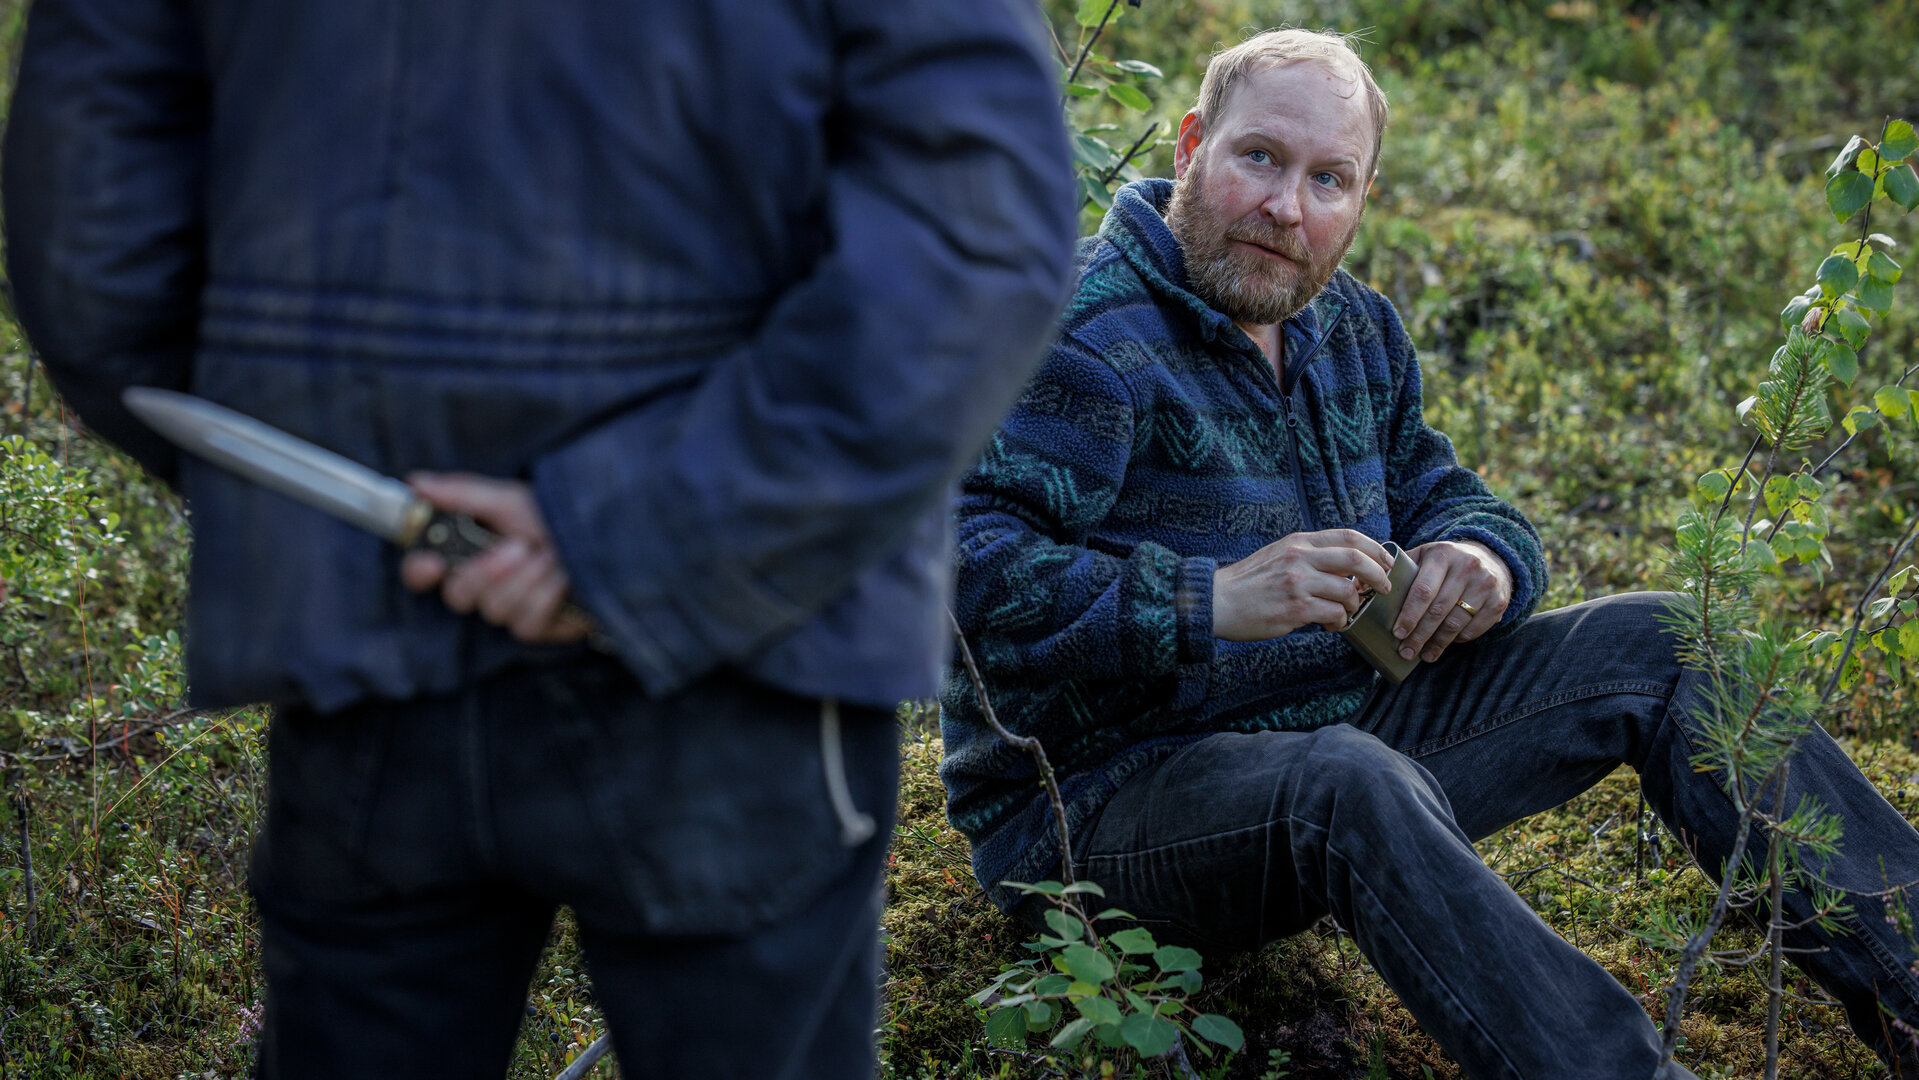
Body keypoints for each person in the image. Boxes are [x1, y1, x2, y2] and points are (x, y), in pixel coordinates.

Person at [4, 1, 1076, 1076]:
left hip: (368, 596)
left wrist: (314, 492)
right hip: (750, 638)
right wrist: (661, 530)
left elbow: (91, 244)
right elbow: (974, 235)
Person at [940, 28, 1919, 1078]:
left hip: (1337, 730)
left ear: (1361, 200)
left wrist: (1482, 558)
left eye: (1329, 180)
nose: (1286, 208)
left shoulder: (1349, 329)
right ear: (1189, 148)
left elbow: (1435, 488)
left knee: (1668, 645)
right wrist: (1209, 597)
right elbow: (954, 569)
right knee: (1345, 781)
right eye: (1257, 158)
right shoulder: (1076, 335)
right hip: (1097, 809)